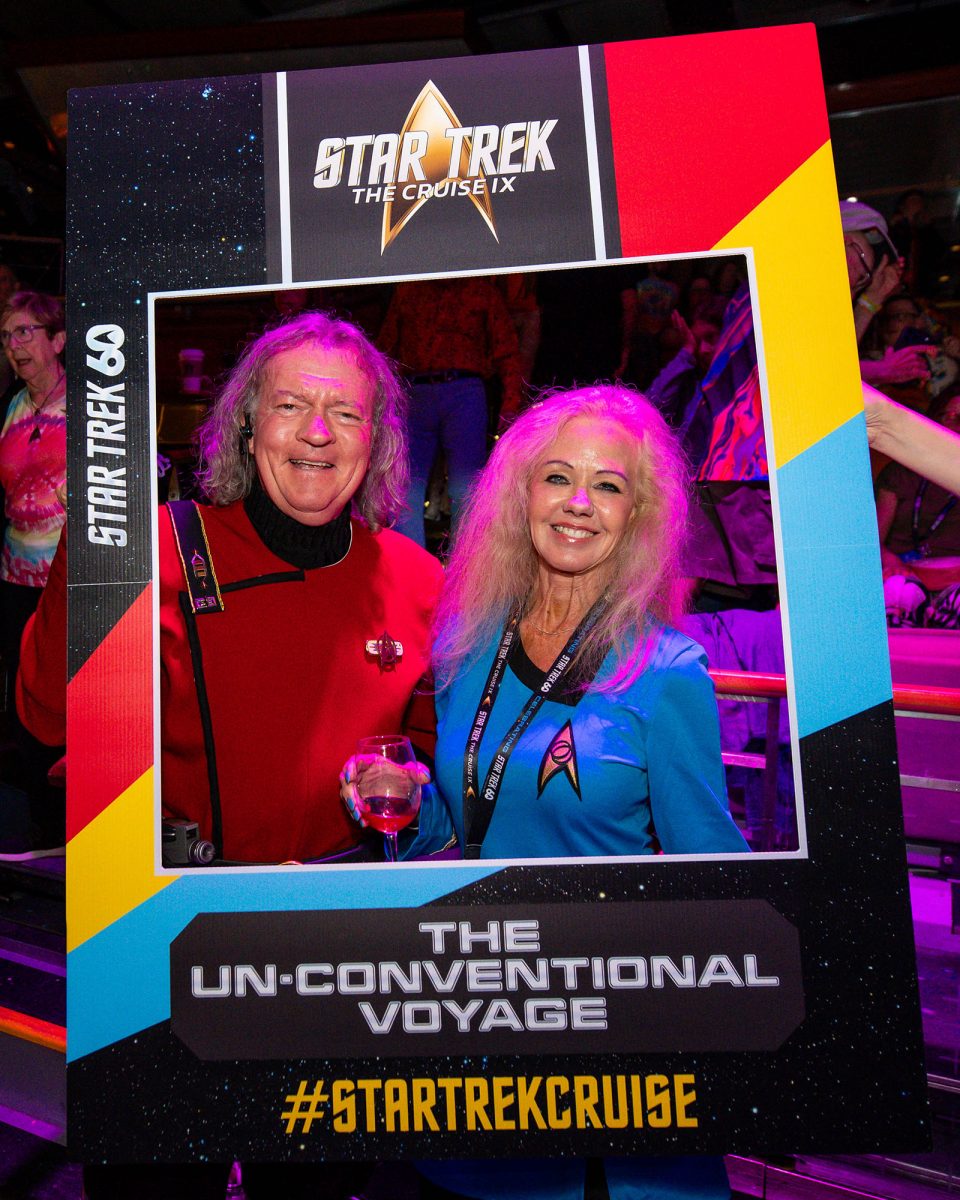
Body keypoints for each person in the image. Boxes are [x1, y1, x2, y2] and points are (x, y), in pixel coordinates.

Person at [344, 384, 747, 1199]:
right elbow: (470, 832)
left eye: (609, 485)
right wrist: (412, 804)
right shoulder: (467, 645)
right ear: (519, 494)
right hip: (479, 1046)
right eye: (558, 476)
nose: (578, 503)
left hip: (607, 1078)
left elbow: (719, 883)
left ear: (639, 516)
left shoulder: (666, 671)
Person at [377, 276, 524, 548]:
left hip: (464, 389)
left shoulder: (480, 290)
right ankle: (410, 567)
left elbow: (507, 351)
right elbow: (386, 350)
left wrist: (510, 406)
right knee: (404, 488)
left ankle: (464, 567)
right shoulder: (409, 289)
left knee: (465, 488)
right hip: (416, 391)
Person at [0, 290, 67, 860]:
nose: (14, 345)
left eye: (25, 332)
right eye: (6, 336)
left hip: (66, 579)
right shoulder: (11, 406)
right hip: (13, 578)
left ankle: (73, 827)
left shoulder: (90, 405)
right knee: (22, 702)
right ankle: (43, 830)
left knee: (63, 702)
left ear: (58, 340)